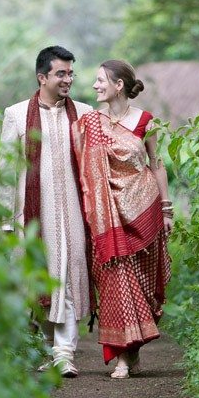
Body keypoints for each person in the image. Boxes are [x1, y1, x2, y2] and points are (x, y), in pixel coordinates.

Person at [0, 46, 94, 378]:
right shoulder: (16, 114)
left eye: (71, 73)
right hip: (31, 216)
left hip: (73, 215)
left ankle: (65, 353)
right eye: (61, 73)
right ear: (42, 77)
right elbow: (7, 170)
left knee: (67, 278)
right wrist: (6, 223)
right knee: (36, 283)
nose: (68, 79)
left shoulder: (84, 114)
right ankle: (47, 347)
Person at [73, 60, 173, 379]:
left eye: (100, 80)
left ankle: (133, 350)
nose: (94, 86)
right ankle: (121, 359)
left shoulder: (146, 121)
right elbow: (83, 172)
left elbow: (157, 165)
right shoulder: (91, 122)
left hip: (144, 212)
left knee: (142, 287)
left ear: (119, 85)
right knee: (116, 281)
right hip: (107, 216)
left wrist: (167, 209)